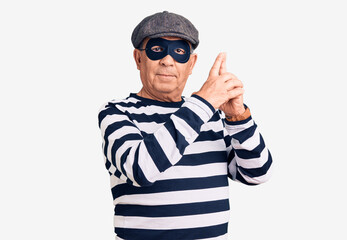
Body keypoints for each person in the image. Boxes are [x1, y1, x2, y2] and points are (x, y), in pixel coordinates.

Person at [98, 10, 273, 240]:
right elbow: (141, 169)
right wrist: (205, 102)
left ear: (191, 64)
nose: (167, 60)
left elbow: (256, 173)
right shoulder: (117, 112)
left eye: (179, 52)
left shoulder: (208, 115)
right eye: (157, 50)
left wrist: (238, 118)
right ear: (138, 59)